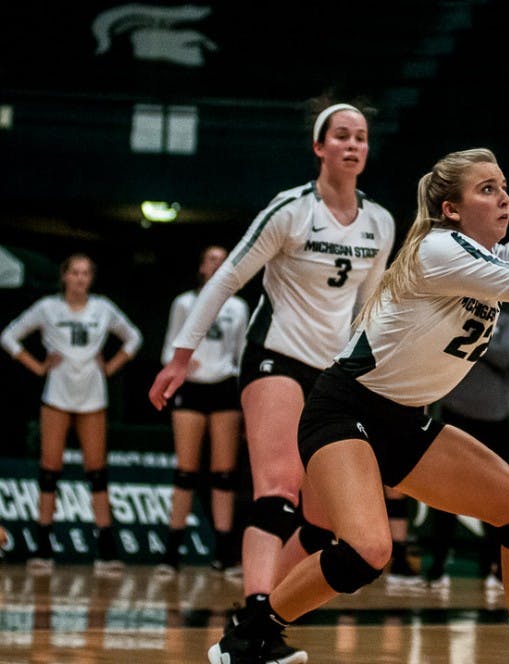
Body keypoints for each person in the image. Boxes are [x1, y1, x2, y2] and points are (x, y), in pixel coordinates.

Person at [203, 147, 509, 664]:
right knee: (366, 550)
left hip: (405, 421)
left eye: (504, 186)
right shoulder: (437, 250)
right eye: (487, 189)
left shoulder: (499, 258)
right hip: (344, 409)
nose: (503, 197)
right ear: (450, 209)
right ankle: (248, 637)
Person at [149, 97, 396, 662]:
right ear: (319, 147)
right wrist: (180, 357)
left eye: (360, 136)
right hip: (276, 357)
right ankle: (258, 623)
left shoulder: (379, 221)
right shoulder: (290, 210)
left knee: (324, 519)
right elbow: (226, 278)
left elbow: (371, 307)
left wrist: (373, 376)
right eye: (341, 135)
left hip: (333, 373)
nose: (353, 144)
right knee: (278, 488)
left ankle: (253, 624)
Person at [1, 253, 142, 574]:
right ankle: (43, 546)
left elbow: (134, 337)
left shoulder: (103, 308)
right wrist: (37, 366)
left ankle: (105, 548)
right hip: (57, 395)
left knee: (97, 471)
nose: (80, 278)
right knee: (50, 470)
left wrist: (111, 366)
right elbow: (9, 335)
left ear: (91, 278)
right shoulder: (48, 308)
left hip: (93, 395)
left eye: (86, 273)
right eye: (75, 272)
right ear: (64, 276)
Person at [156, 245, 249, 577]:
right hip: (191, 387)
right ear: (200, 267)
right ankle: (171, 553)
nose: (216, 264)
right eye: (210, 259)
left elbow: (242, 355)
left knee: (223, 476)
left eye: (223, 260)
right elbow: (169, 346)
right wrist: (179, 361)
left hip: (223, 386)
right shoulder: (184, 302)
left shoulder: (238, 307)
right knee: (186, 473)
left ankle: (223, 554)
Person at [425, 308, 509, 590]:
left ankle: (494, 564)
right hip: (456, 410)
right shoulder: (456, 312)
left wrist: (473, 334)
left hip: (496, 416)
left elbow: (507, 355)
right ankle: (439, 563)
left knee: (497, 490)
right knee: (444, 491)